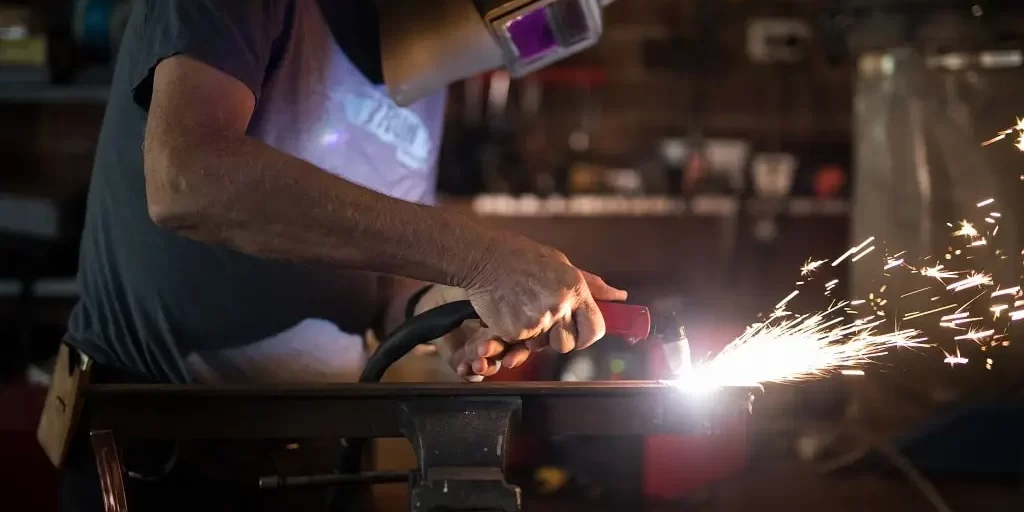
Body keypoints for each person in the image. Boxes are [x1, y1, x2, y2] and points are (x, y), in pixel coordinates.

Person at [58, 0, 623, 511]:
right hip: (161, 459)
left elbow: (388, 280)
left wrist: (449, 309)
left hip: (324, 457)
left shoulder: (420, 62)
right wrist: (481, 260)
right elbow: (186, 178)